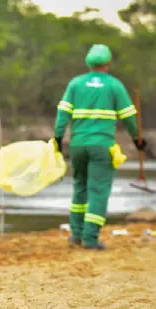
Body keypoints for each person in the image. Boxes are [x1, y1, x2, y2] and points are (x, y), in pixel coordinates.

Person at [54, 44, 146, 250]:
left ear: (88, 63)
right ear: (108, 63)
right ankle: (91, 239)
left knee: (79, 188)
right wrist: (137, 139)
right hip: (102, 146)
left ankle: (76, 235)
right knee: (98, 191)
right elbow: (130, 116)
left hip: (77, 145)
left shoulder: (75, 84)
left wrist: (58, 140)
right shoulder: (114, 86)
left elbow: (62, 114)